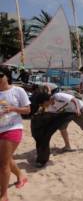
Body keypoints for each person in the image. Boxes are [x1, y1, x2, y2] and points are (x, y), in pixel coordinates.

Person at [0, 67, 31, 201]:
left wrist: (12, 108)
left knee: (2, 163)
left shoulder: (17, 90)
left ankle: (4, 195)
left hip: (12, 128)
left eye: (0, 75)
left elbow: (28, 110)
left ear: (7, 76)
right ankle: (20, 175)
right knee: (5, 159)